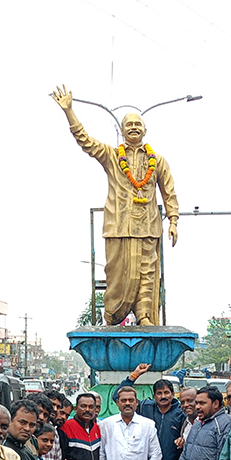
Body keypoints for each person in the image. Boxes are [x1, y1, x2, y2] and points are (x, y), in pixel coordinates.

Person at [52, 85, 178, 325]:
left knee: (147, 274)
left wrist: (173, 220)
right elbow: (86, 142)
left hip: (148, 226)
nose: (133, 127)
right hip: (118, 226)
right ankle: (112, 315)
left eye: (137, 124)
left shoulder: (158, 161)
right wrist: (69, 111)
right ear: (121, 131)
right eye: (128, 124)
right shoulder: (111, 156)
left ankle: (143, 316)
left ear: (145, 130)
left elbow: (169, 192)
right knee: (117, 276)